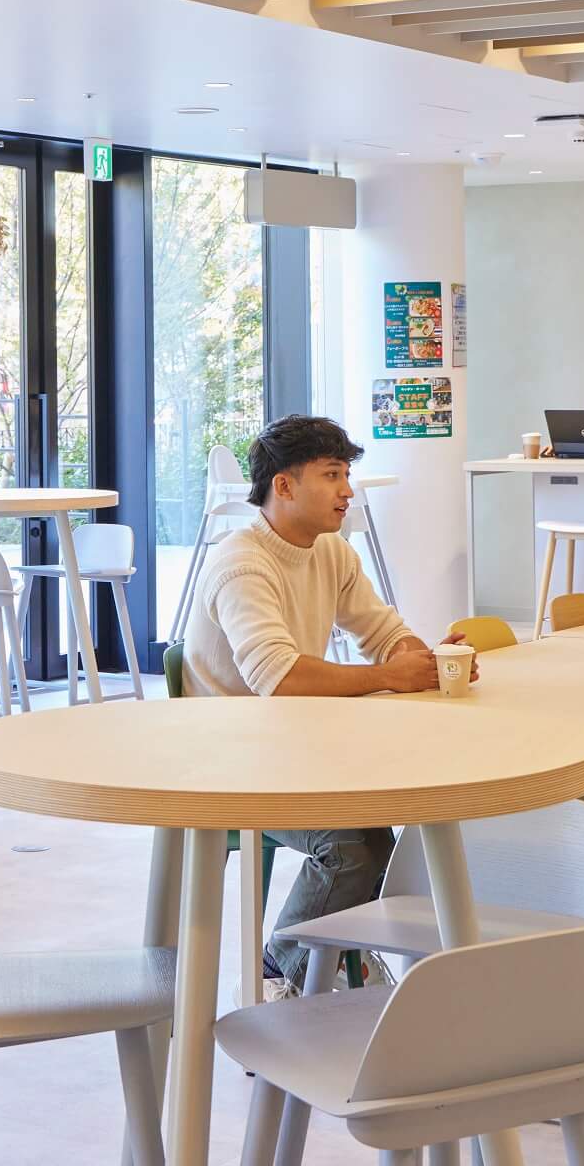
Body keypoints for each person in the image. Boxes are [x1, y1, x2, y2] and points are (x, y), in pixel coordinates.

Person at [178, 414, 476, 993]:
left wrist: (427, 660)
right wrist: (388, 675)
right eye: (333, 475)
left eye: (347, 475)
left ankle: (329, 965)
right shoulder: (242, 561)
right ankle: (280, 970)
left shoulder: (330, 552)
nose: (347, 492)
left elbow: (383, 631)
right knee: (350, 854)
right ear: (284, 486)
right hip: (227, 759)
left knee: (386, 841)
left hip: (294, 747)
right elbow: (280, 678)